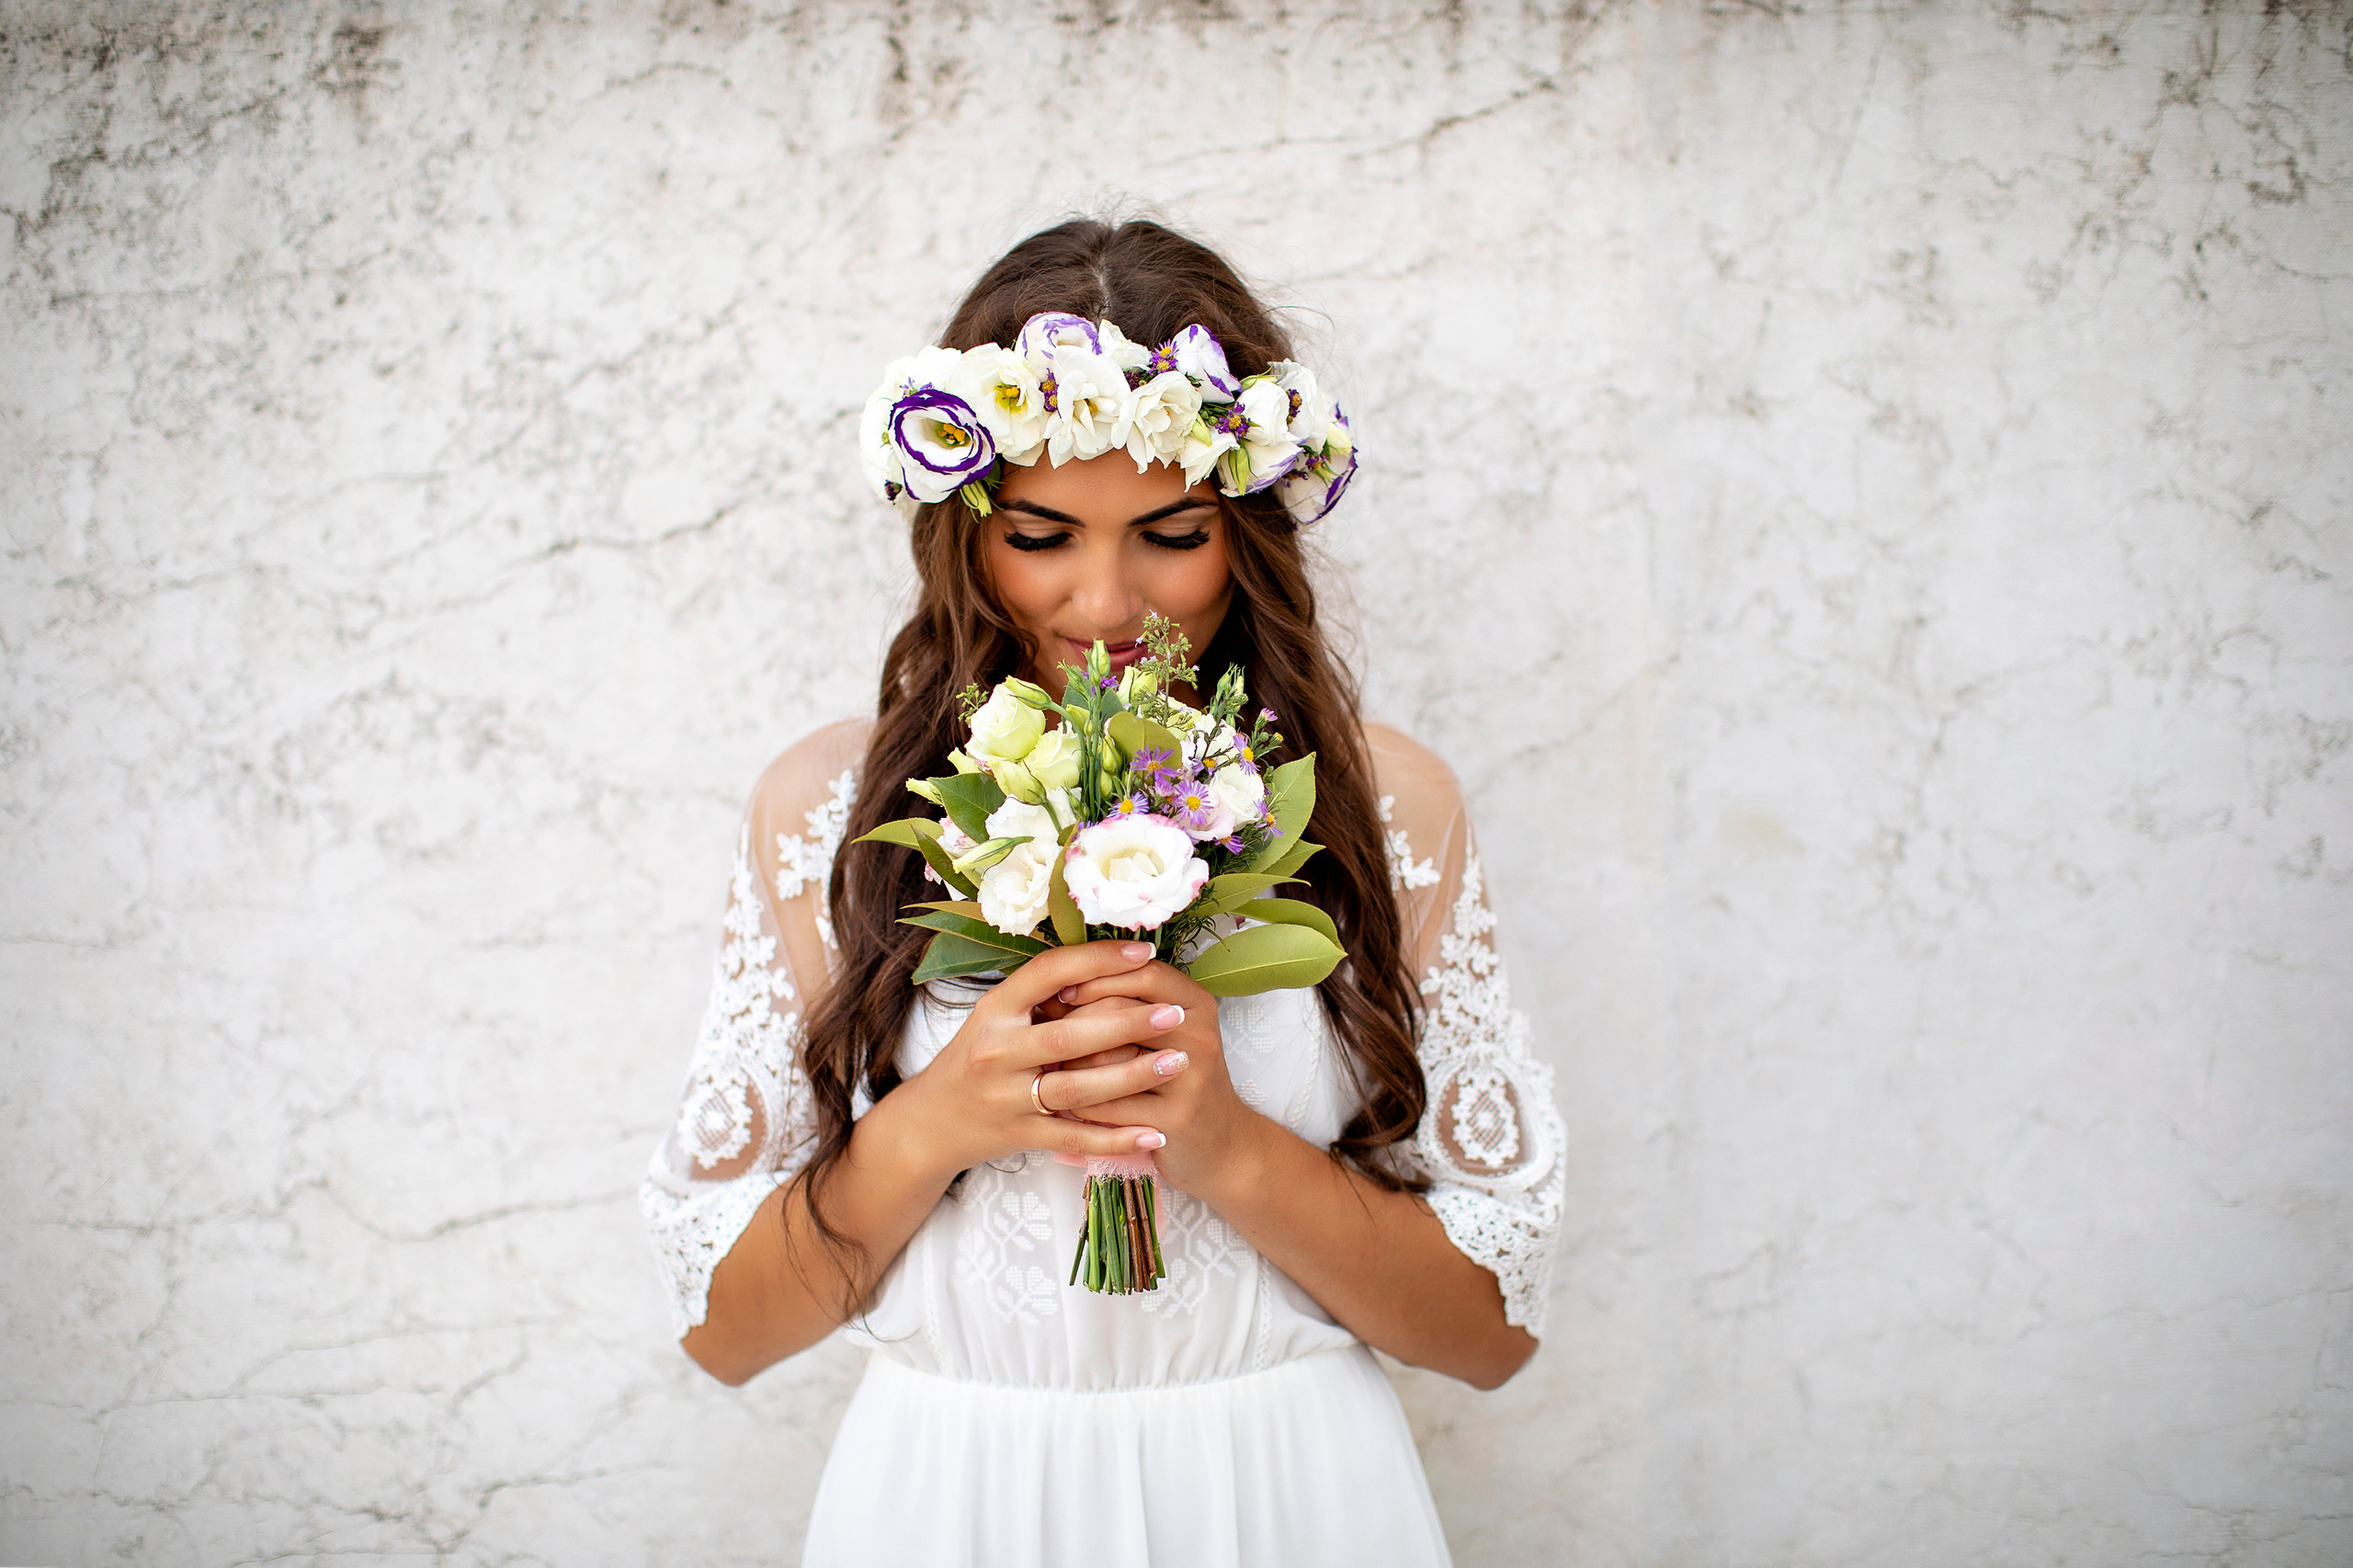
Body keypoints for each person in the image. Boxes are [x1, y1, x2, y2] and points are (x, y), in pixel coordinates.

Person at [640, 218, 1564, 1566]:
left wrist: (1229, 1147)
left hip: (1290, 1499)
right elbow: (728, 1331)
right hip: (954, 1502)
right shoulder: (829, 819)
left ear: (1244, 526)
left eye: (1172, 533)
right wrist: (941, 1117)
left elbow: (1490, 1333)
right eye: (1042, 532)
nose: (1107, 597)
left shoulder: (1388, 810)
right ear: (966, 530)